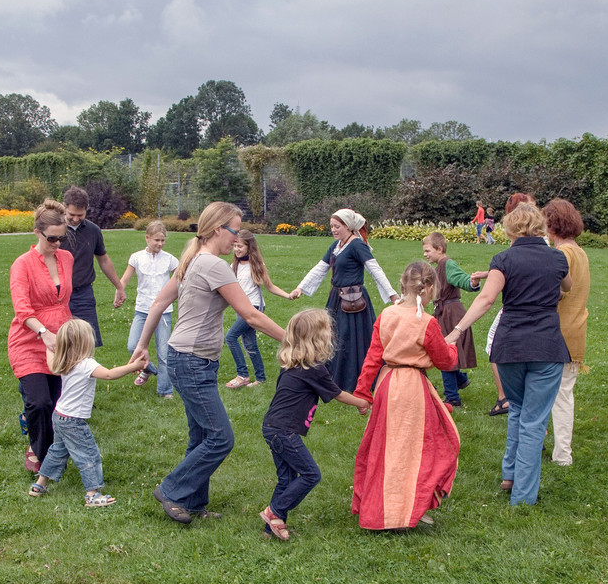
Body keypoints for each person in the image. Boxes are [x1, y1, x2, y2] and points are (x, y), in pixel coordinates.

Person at [130, 202, 286, 524]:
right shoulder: (213, 265)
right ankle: (172, 489)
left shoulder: (191, 260)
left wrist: (144, 344)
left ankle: (194, 504)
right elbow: (251, 315)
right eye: (234, 230)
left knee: (201, 437)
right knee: (220, 438)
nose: (236, 238)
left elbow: (159, 301)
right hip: (192, 361)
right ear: (218, 230)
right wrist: (293, 340)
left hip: (185, 358)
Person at [447, 204, 571, 506]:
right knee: (533, 421)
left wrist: (457, 330)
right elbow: (567, 285)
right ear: (540, 227)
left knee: (516, 408)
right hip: (546, 347)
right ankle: (523, 497)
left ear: (510, 229)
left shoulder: (503, 260)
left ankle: (510, 474)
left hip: (510, 346)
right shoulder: (557, 258)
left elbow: (488, 298)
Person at [353, 261, 460, 529]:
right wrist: (452, 349)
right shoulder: (427, 322)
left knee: (386, 446)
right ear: (430, 288)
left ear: (403, 284)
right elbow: (444, 361)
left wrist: (364, 392)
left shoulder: (387, 315)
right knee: (417, 448)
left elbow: (373, 356)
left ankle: (387, 506)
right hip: (412, 387)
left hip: (387, 384)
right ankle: (406, 507)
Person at [259, 309, 370, 541]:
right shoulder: (314, 369)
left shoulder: (294, 364)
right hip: (284, 432)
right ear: (317, 337)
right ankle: (274, 511)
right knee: (311, 474)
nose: (331, 332)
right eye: (328, 329)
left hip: (272, 427)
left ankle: (272, 527)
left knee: (287, 479)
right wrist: (362, 403)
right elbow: (337, 394)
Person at [28, 319, 147, 506]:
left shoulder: (64, 361)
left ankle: (39, 485)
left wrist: (48, 346)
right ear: (85, 342)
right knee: (88, 455)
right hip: (73, 421)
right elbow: (109, 374)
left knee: (57, 452)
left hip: (59, 416)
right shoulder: (86, 364)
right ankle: (92, 494)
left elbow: (51, 365)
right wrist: (135, 366)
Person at [288, 209, 398, 392]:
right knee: (332, 336)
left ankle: (357, 379)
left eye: (337, 226)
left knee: (351, 338)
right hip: (336, 299)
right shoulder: (337, 246)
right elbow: (320, 268)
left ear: (348, 226)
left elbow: (374, 269)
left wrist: (393, 295)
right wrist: (300, 288)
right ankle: (335, 378)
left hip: (354, 302)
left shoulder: (357, 245)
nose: (333, 229)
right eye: (332, 226)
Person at [9, 199, 73, 474]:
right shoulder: (22, 265)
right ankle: (42, 454)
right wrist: (44, 333)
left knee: (57, 403)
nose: (57, 243)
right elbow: (23, 310)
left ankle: (43, 445)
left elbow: (66, 298)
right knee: (39, 402)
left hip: (61, 339)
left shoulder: (66, 258)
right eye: (51, 238)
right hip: (29, 339)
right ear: (37, 232)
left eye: (61, 238)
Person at [543, 198, 590, 465]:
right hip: (574, 331)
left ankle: (563, 456)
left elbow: (557, 293)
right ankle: (550, 447)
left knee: (559, 396)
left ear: (552, 225)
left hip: (560, 334)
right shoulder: (580, 251)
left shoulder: (563, 254)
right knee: (559, 394)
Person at [483, 192, 537, 416]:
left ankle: (507, 398)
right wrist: (489, 274)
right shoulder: (542, 243)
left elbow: (487, 298)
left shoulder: (522, 244)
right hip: (536, 309)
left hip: (520, 306)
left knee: (494, 344)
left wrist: (458, 329)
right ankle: (512, 400)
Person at [225, 230, 292, 389]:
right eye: (235, 246)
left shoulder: (257, 265)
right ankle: (260, 378)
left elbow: (270, 286)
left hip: (253, 307)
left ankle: (242, 375)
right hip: (240, 308)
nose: (237, 249)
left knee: (230, 337)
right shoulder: (233, 266)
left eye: (240, 246)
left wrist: (288, 296)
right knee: (250, 344)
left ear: (249, 246)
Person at [59, 186, 126, 347]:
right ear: (64, 208)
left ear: (86, 210)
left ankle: (87, 373)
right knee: (61, 343)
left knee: (86, 344)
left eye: (80, 215)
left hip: (83, 294)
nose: (75, 219)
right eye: (71, 215)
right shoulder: (56, 230)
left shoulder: (93, 230)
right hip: (58, 294)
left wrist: (119, 286)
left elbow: (103, 259)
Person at [121, 221, 178, 398]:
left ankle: (165, 390)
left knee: (164, 353)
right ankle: (148, 369)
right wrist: (119, 291)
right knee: (133, 346)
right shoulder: (136, 257)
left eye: (162, 240)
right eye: (156, 240)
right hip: (143, 309)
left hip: (163, 311)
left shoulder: (170, 259)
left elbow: (180, 280)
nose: (159, 244)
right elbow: (124, 279)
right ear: (147, 238)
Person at [422, 231, 479, 407]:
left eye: (428, 251)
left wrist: (472, 283)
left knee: (444, 351)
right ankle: (460, 380)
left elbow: (461, 279)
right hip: (443, 313)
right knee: (443, 350)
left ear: (439, 249)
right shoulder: (439, 265)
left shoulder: (448, 264)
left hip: (451, 314)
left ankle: (452, 397)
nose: (425, 254)